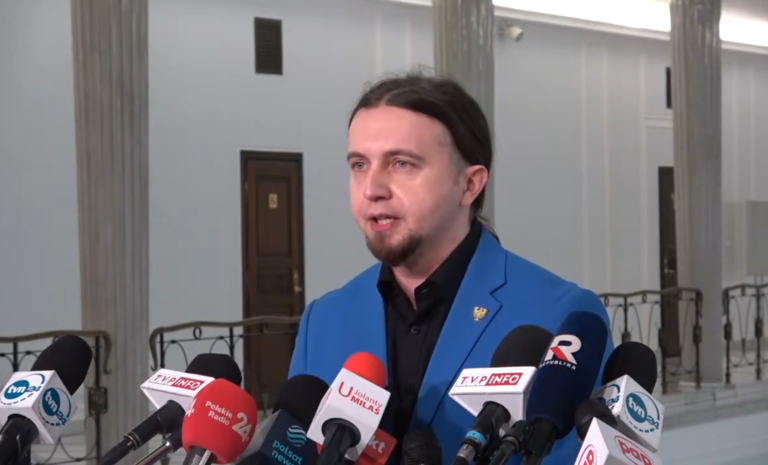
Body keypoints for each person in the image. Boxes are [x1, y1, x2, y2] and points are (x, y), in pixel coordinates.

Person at [288, 72, 612, 464]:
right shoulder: (322, 322)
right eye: (359, 164)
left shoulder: (562, 318)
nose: (371, 189)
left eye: (401, 163)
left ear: (469, 185)